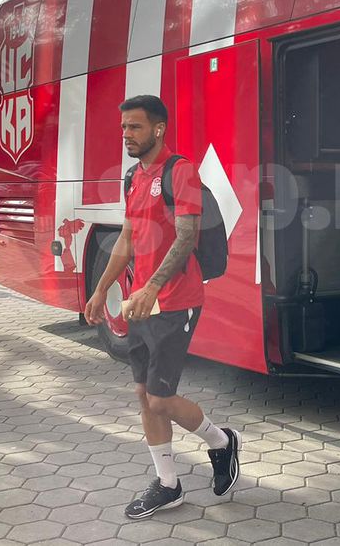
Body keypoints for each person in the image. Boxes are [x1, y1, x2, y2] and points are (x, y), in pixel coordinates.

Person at [85, 94, 241, 520]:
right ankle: (169, 484)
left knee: (160, 399)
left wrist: (151, 288)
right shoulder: (133, 177)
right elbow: (127, 239)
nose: (125, 136)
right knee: (143, 394)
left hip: (176, 301)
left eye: (134, 127)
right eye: (122, 128)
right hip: (141, 303)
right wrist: (102, 290)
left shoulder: (181, 171)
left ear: (158, 128)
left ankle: (222, 441)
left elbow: (186, 236)